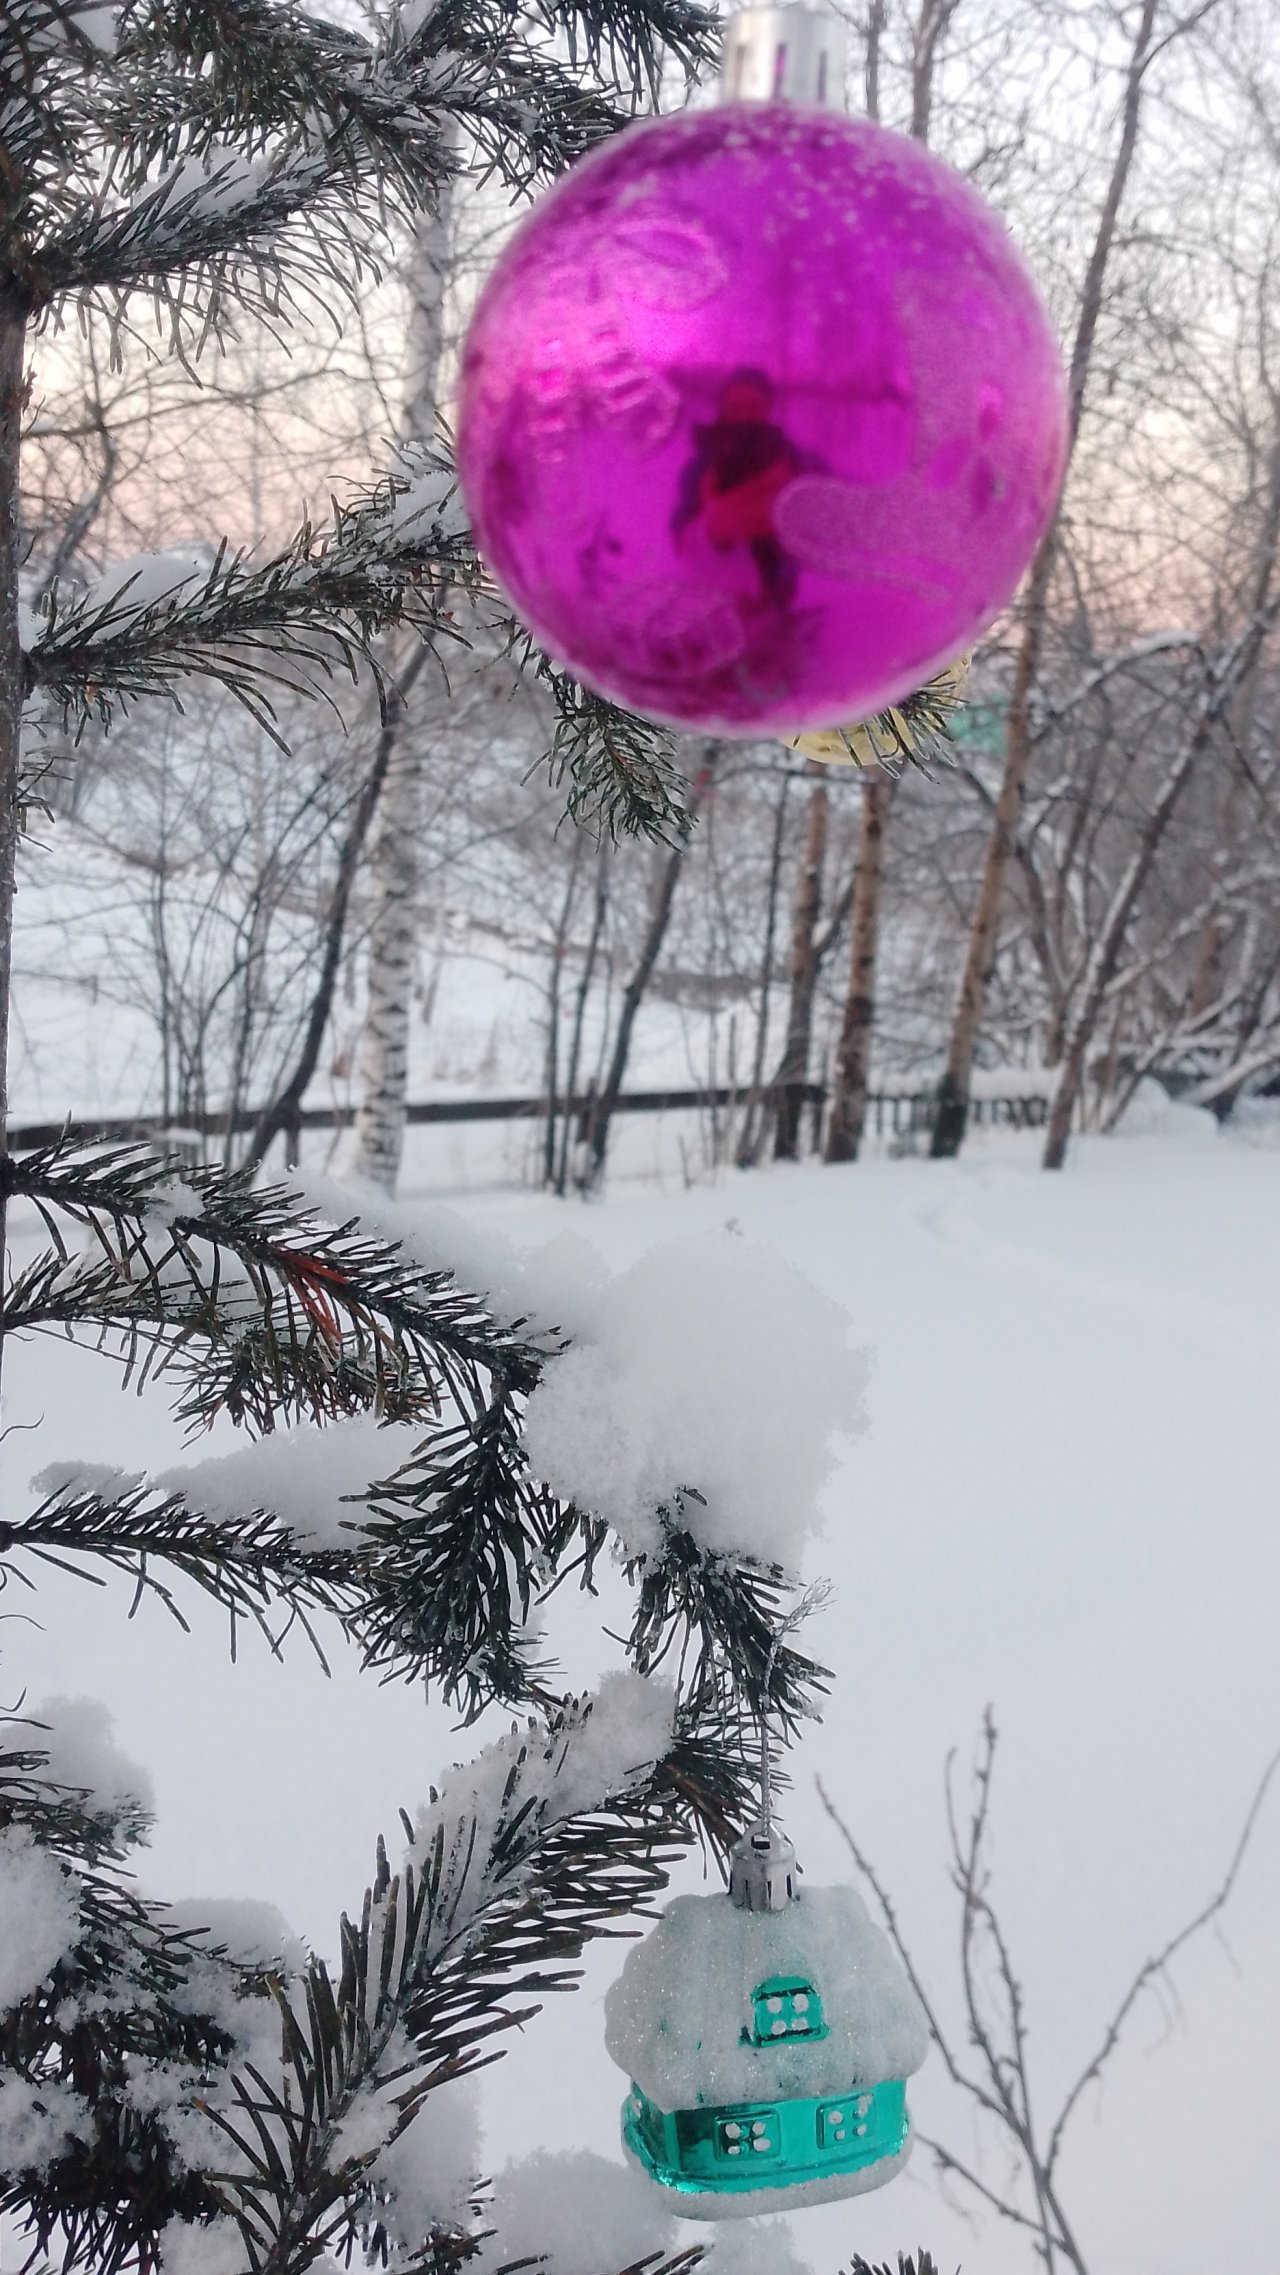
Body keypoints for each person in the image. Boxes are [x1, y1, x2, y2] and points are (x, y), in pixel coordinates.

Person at [673, 368, 800, 608]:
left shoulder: (790, 458)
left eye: (754, 406)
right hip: (715, 595)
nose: (744, 416)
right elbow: (682, 528)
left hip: (775, 591)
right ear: (723, 409)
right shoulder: (704, 463)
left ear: (768, 408)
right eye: (735, 407)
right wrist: (710, 527)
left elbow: (821, 511)